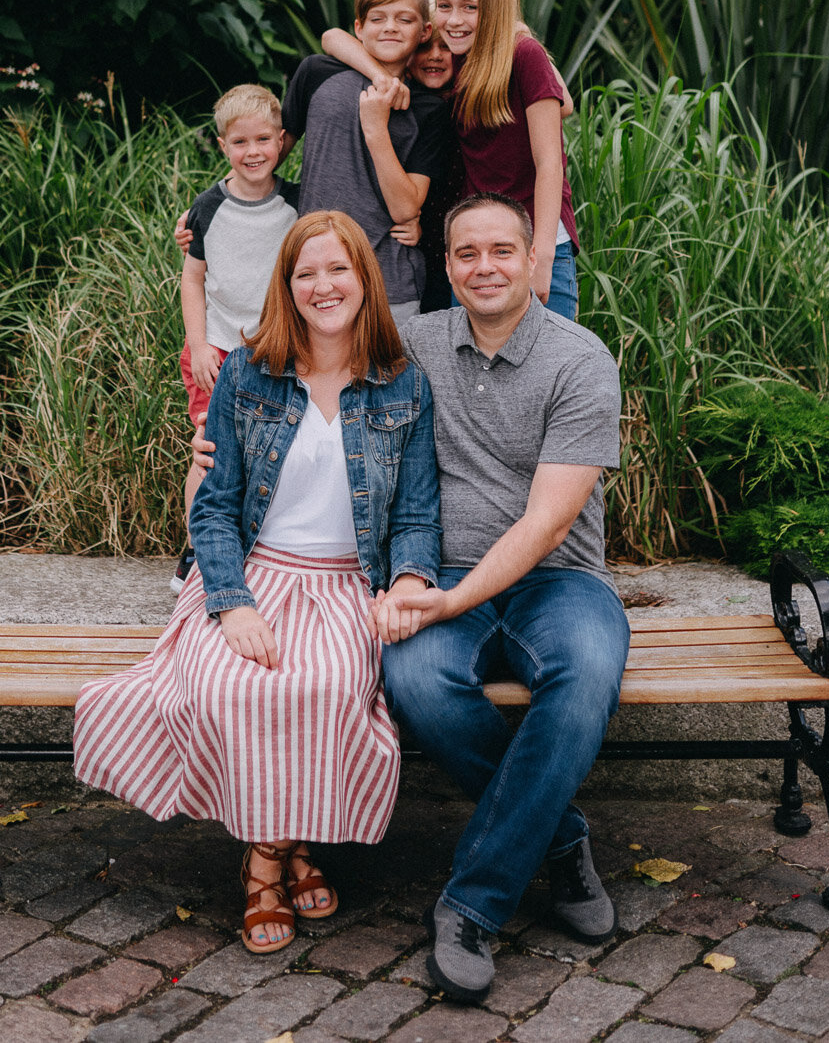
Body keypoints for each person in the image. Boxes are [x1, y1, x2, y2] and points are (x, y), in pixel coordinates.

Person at [75, 211, 442, 954]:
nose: (323, 285)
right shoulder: (249, 373)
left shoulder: (403, 383)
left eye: (337, 269)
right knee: (235, 683)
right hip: (254, 571)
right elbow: (211, 511)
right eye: (305, 273)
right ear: (287, 286)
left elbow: (416, 516)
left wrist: (405, 582)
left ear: (363, 279)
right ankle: (291, 852)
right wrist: (231, 602)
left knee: (332, 685)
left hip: (347, 583)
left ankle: (264, 859)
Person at [375, 192, 626, 1003]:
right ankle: (558, 842)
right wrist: (221, 426)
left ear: (531, 260)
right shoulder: (416, 342)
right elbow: (309, 359)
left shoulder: (579, 359)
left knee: (585, 674)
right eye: (466, 254)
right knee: (414, 680)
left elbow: (549, 523)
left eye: (501, 252)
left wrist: (448, 606)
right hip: (445, 569)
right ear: (447, 265)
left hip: (560, 581)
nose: (484, 267)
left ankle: (474, 905)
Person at [322, 0, 580, 320]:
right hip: (476, 247)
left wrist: (541, 258)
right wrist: (381, 76)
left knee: (548, 367)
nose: (454, 20)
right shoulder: (455, 55)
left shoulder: (522, 53)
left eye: (470, 8)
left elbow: (550, 160)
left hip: (534, 243)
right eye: (444, 6)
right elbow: (332, 37)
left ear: (494, 9)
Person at [175, 84, 299, 588]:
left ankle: (259, 546)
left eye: (264, 140)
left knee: (273, 447)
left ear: (282, 140)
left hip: (280, 347)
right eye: (240, 142)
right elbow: (192, 278)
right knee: (210, 449)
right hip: (220, 348)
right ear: (223, 146)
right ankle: (194, 550)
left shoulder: (297, 201)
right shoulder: (207, 207)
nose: (253, 152)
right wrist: (200, 344)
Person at [282, 0, 452, 326]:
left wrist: (376, 127)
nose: (390, 27)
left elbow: (406, 207)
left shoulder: (429, 109)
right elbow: (269, 154)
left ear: (423, 31)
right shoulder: (317, 73)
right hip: (315, 278)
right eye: (378, 18)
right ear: (359, 28)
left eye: (404, 19)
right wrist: (217, 202)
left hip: (391, 283)